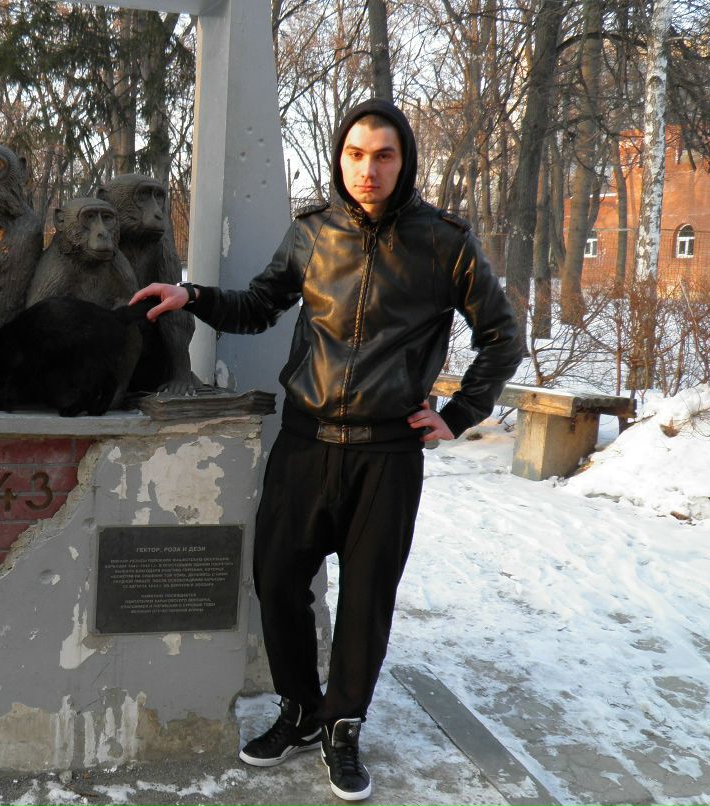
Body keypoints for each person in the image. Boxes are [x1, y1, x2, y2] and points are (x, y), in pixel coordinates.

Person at [131, 99, 522, 801]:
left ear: (404, 161)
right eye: (355, 154)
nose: (367, 169)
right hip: (306, 444)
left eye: (383, 155)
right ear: (340, 158)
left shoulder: (444, 243)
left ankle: (344, 726)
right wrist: (189, 295)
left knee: (366, 599)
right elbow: (257, 305)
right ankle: (301, 710)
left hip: (387, 455)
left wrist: (460, 414)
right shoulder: (313, 234)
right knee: (275, 579)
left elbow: (502, 335)